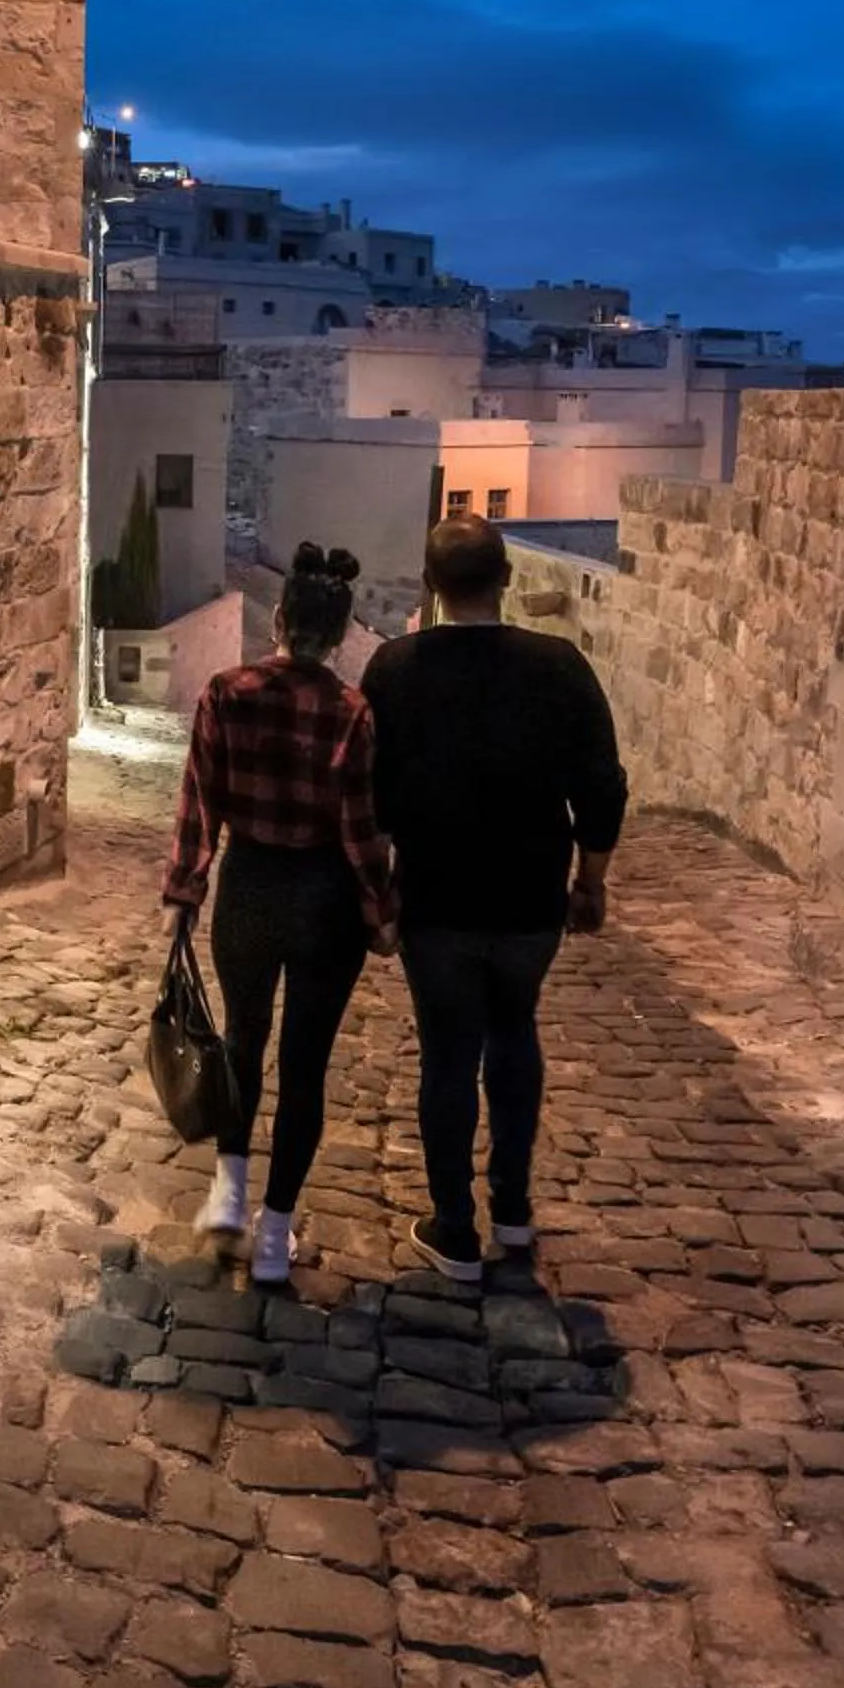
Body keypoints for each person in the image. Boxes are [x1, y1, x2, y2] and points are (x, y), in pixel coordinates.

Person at [362, 514, 627, 1283]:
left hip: (437, 902)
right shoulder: (559, 666)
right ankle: (512, 1212)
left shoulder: (394, 669)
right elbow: (602, 787)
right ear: (507, 579)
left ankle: (453, 1226)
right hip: (528, 899)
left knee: (448, 1055)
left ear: (431, 584)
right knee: (515, 1037)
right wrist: (591, 884)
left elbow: (369, 796)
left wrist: (378, 886)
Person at [162, 543, 398, 1284]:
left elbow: (199, 803)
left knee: (242, 1044)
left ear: (282, 621)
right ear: (342, 633)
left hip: (251, 887)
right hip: (325, 898)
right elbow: (361, 832)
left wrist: (185, 894)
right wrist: (381, 911)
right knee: (305, 1067)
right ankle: (276, 1235)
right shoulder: (353, 713)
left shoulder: (226, 693)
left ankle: (229, 1199)